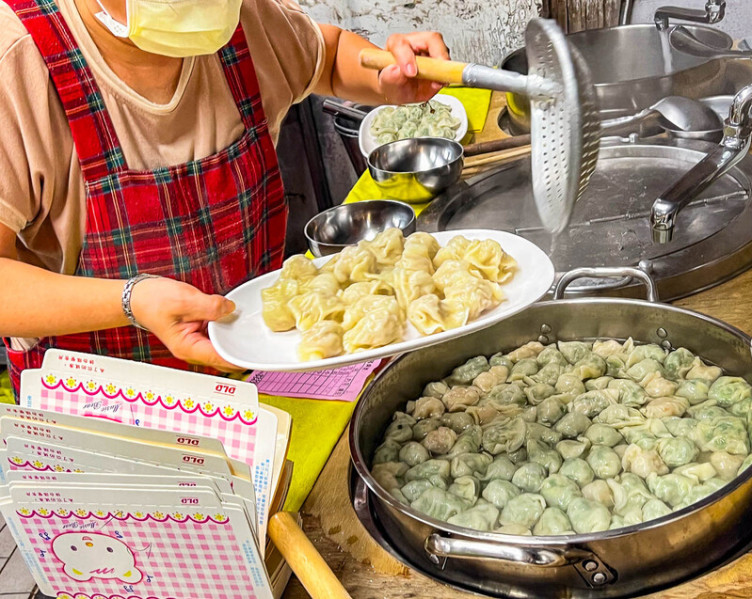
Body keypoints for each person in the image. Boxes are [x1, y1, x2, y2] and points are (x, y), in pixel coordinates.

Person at [0, 0, 449, 394]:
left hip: (256, 376)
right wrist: (132, 302)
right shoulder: (18, 61)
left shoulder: (228, 18)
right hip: (101, 416)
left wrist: (387, 80)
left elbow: (326, 58)